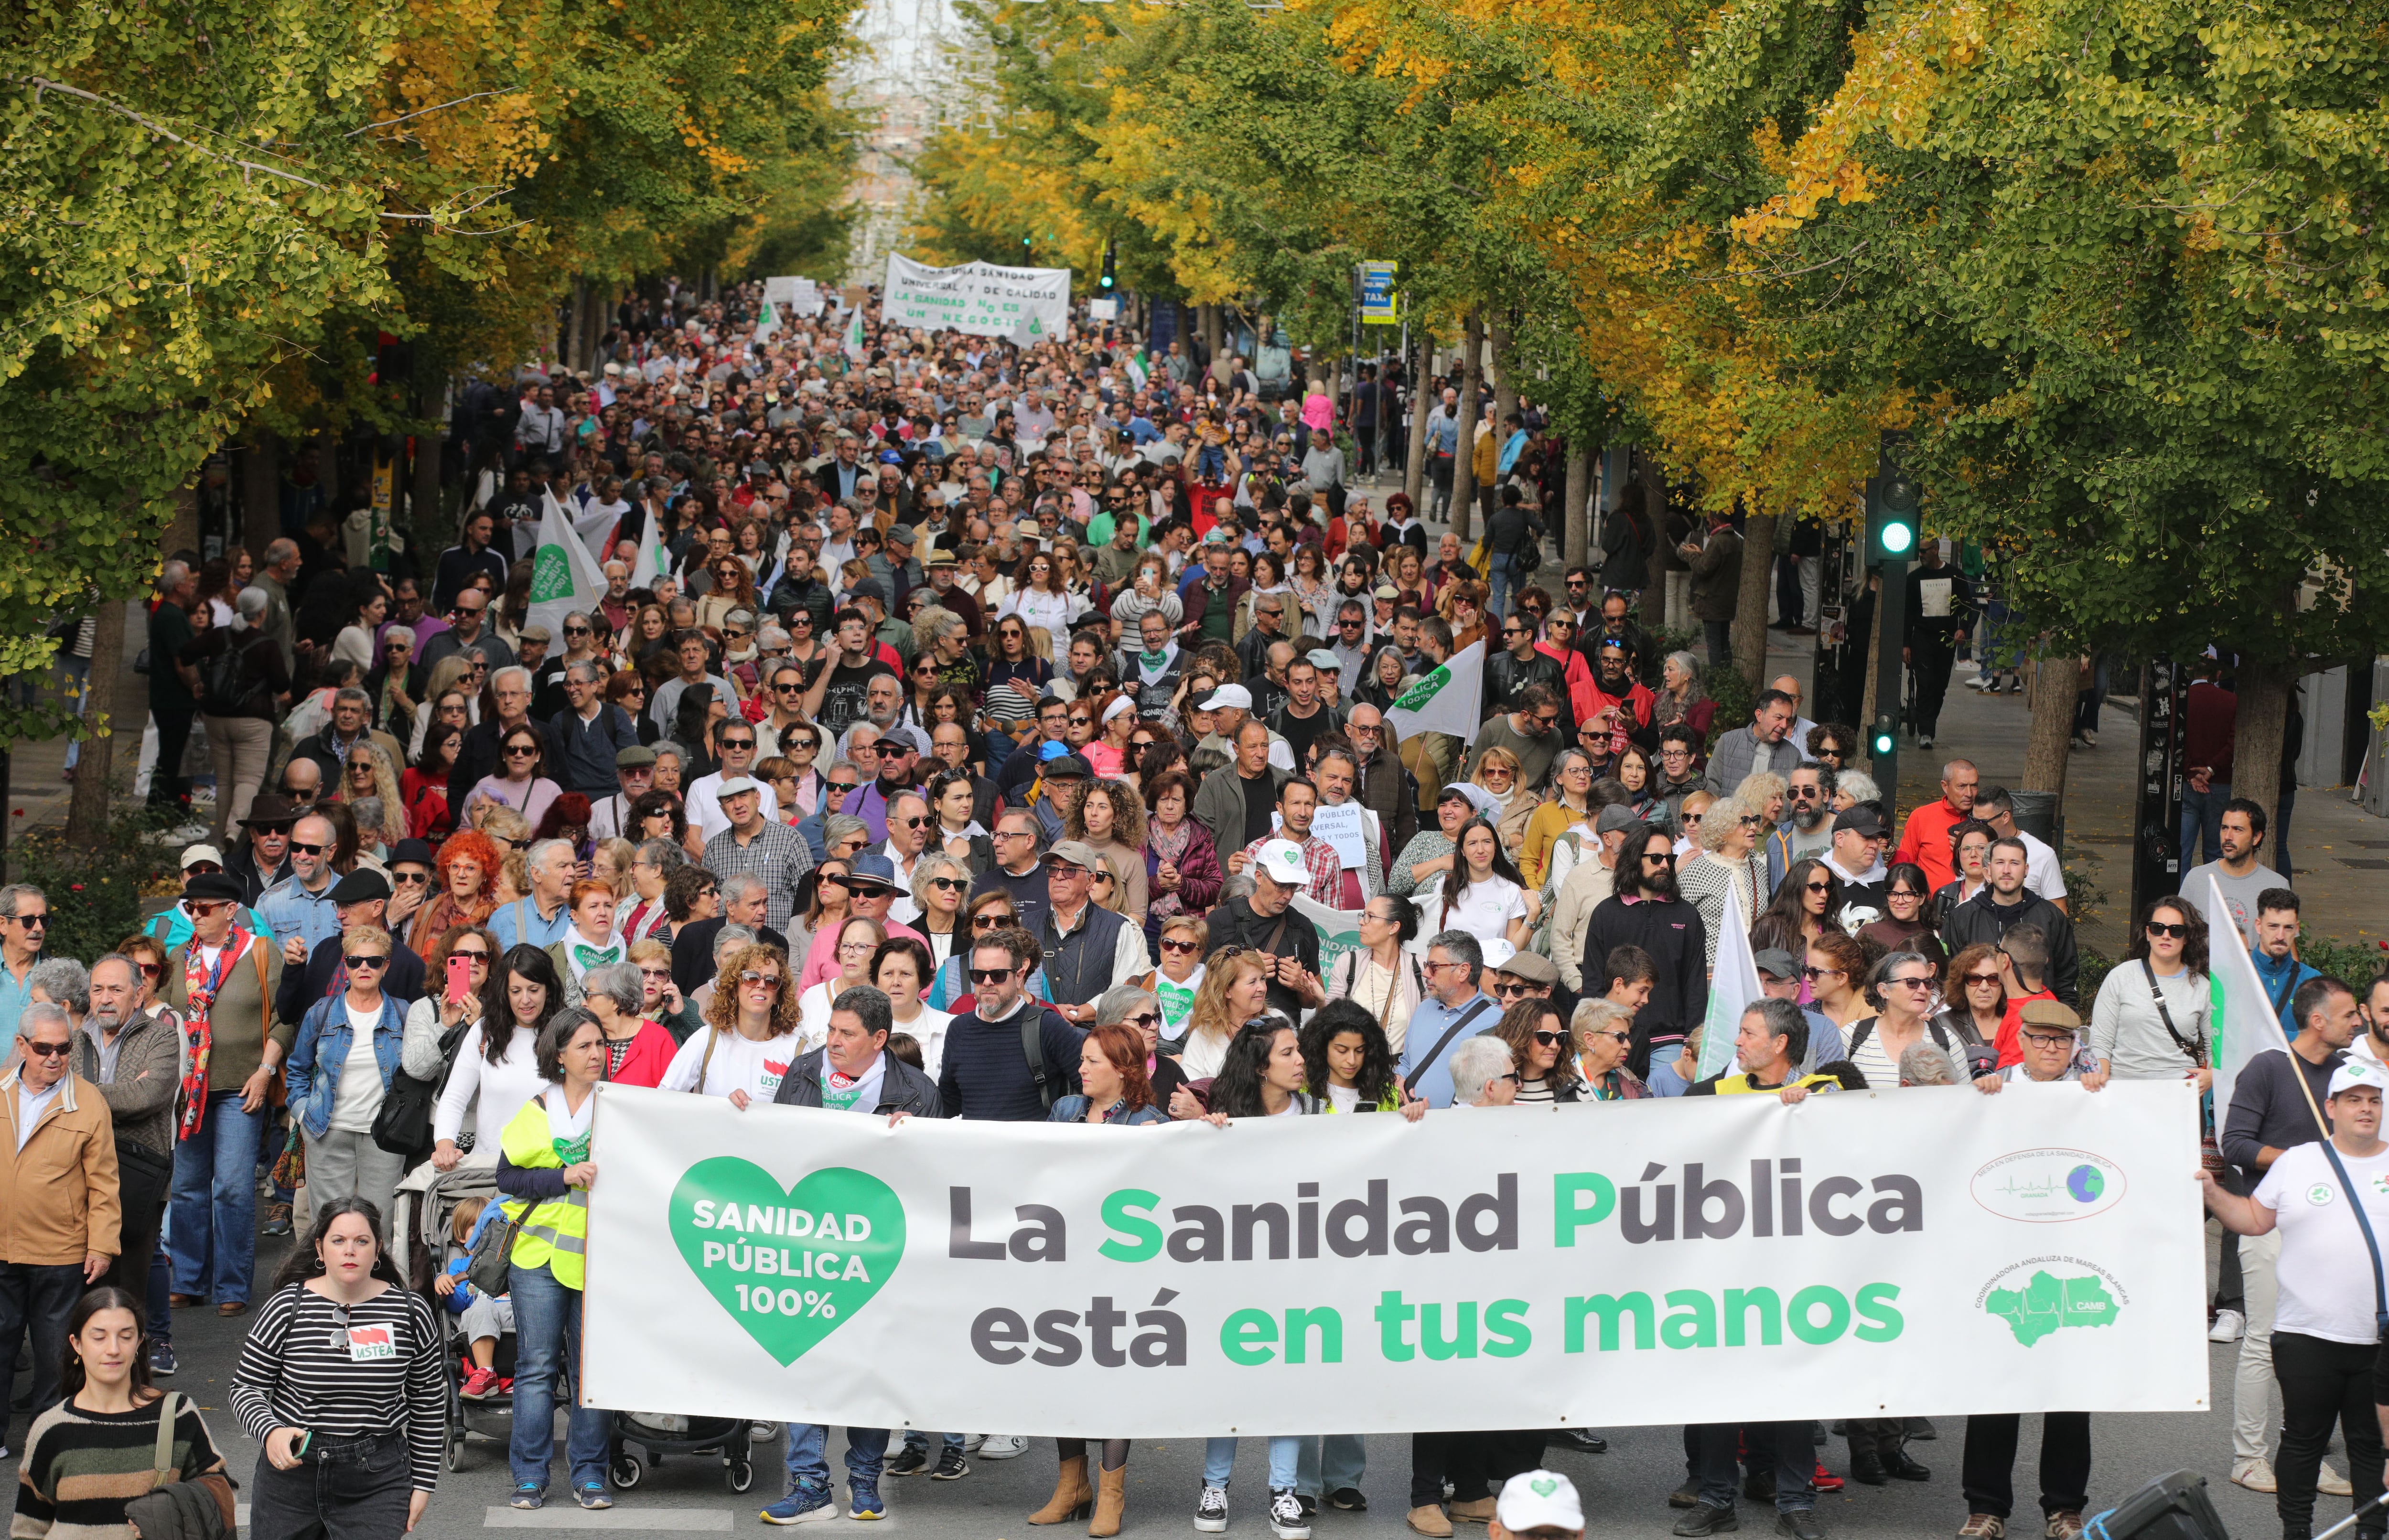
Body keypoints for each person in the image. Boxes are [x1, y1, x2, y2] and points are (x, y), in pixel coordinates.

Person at [758, 985, 943, 1523]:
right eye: (830, 1030)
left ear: (879, 1039)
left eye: (845, 1034)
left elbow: (930, 1179)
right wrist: (745, 1118)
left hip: (877, 1251)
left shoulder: (917, 1091)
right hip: (809, 1248)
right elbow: (775, 1148)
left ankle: (864, 1481)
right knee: (805, 1363)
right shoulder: (803, 1072)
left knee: (868, 1368)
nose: (831, 1042)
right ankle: (810, 1484)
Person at [2200, 1052, 2387, 1540]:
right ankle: (2295, 1531)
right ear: (2331, 1106)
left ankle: (2371, 1531)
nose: (2364, 1108)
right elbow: (2253, 1220)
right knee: (2302, 1439)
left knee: (2369, 1444)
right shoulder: (2299, 1161)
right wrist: (2213, 1192)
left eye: (2373, 1099)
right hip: (2305, 1331)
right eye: (2353, 1100)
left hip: (2378, 1336)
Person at [2217, 974, 2358, 1495]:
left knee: (2315, 1348)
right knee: (2262, 1341)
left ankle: (2302, 1452)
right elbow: (2234, 1143)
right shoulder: (2268, 1068)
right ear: (2317, 1020)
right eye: (2348, 1014)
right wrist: (2304, 1161)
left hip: (2329, 1233)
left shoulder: (2346, 1073)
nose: (2358, 1021)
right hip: (2269, 1222)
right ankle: (2248, 1456)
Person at [230, 1198, 442, 1538]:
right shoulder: (287, 1306)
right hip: (291, 1475)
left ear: (378, 1250)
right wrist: (270, 1432)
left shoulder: (410, 1312)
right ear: (320, 1247)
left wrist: (424, 1482)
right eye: (338, 1241)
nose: (350, 1251)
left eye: (362, 1241)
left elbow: (428, 1399)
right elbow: (246, 1388)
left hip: (376, 1478)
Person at [1189, 1016, 1316, 1540]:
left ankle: (1283, 1490)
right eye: (1288, 1052)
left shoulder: (1319, 1112)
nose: (1301, 1059)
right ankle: (1213, 1484)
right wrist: (1202, 1131)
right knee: (1232, 1379)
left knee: (1287, 1382)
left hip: (1299, 1273)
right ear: (1260, 1065)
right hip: (1235, 1273)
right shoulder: (1222, 1117)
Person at [14, 1285, 234, 1538]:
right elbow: (28, 1528)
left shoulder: (176, 1414)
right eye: (99, 1337)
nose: (114, 1349)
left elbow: (223, 1493)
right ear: (77, 1344)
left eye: (126, 1336)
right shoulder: (51, 1428)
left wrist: (169, 1513)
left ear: (140, 1341)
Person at [163, 871, 285, 1318]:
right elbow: (163, 1018)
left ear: (231, 910)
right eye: (189, 908)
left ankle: (231, 1283)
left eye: (204, 908)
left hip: (241, 1088)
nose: (194, 915)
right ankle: (189, 1278)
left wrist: (265, 1071)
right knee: (189, 1186)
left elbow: (284, 1017)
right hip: (190, 1090)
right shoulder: (180, 957)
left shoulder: (259, 952)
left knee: (232, 1188)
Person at [0, 1003, 119, 1454]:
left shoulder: (88, 1101)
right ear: (21, 1046)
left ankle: (47, 1437)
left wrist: (103, 1244)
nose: (54, 1057)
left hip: (60, 1248)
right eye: (44, 1047)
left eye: (64, 1048)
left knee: (54, 1352)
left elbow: (104, 1181)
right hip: (1, 1245)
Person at [74, 954, 180, 1322]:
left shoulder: (162, 1037)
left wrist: (83, 1094)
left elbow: (146, 1097)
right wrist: (119, 1092)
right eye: (98, 989)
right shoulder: (73, 1041)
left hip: (137, 1178)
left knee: (128, 1294)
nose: (105, 998)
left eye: (116, 990)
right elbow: (58, 1097)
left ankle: (135, 1375)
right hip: (79, 1178)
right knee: (81, 1290)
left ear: (137, 996)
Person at [282, 925, 408, 1216]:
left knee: (379, 1228)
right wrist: (304, 1114)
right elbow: (298, 1069)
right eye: (355, 961)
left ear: (386, 966)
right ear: (346, 965)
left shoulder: (405, 1013)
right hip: (327, 1131)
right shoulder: (322, 1012)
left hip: (383, 1136)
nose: (364, 967)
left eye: (374, 961)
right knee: (329, 1226)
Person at [1580, 824, 1708, 1080]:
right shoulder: (1606, 913)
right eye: (1656, 858)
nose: (1664, 865)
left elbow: (1695, 985)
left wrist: (1692, 1042)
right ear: (1634, 860)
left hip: (1671, 1043)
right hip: (1617, 1041)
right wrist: (1602, 1038)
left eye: (1669, 859)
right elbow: (1593, 981)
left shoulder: (1687, 915)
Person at [413, 937, 549, 1170]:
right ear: (504, 993)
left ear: (549, 989)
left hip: (550, 1168)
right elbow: (455, 1097)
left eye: (534, 990)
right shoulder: (485, 1030)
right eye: (515, 991)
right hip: (491, 1166)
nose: (525, 1000)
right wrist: (445, 1144)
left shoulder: (567, 1032)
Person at [938, 926, 1084, 1121]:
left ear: (1019, 977)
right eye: (979, 975)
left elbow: (1095, 1088)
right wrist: (911, 1119)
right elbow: (948, 1106)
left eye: (998, 975)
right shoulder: (958, 1029)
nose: (987, 982)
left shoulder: (1048, 1026)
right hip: (974, 1149)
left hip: (1034, 1149)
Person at [1942, 838, 2078, 1005]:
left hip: (2036, 1020)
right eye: (2000, 863)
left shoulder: (2051, 917)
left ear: (2026, 870)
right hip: (1979, 1022)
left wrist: (2062, 1024)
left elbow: (2066, 980)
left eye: (2014, 863)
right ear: (1988, 872)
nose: (2006, 870)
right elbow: (1951, 978)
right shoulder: (1961, 918)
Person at [663, 942, 803, 1104]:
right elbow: (666, 1097)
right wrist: (724, 1107)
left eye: (772, 981)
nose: (762, 985)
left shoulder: (797, 1050)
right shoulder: (708, 1039)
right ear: (734, 988)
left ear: (779, 995)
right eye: (751, 978)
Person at [1203, 839, 1326, 1022]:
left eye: (1294, 887)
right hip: (1230, 1030)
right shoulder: (1222, 920)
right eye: (1281, 885)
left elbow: (1312, 1001)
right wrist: (1245, 968)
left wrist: (1301, 986)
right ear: (1259, 877)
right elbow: (1204, 988)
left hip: (1283, 1034)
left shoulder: (1302, 927)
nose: (1288, 895)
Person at [2185, 798, 2286, 946]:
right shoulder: (2196, 878)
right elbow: (2179, 936)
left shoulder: (2277, 885)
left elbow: (2286, 949)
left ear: (2256, 837)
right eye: (2224, 828)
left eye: (2237, 830)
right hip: (2202, 968)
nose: (2228, 837)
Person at [1892, 758, 1978, 891]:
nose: (1969, 794)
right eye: (1961, 786)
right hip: (1930, 905)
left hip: (1974, 903)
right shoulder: (1921, 816)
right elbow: (1904, 865)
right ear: (1945, 786)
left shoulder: (1986, 818)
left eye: (1974, 786)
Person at [1703, 688, 1798, 796]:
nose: (1784, 725)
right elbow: (1711, 785)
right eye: (1779, 718)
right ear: (1759, 715)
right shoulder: (1728, 742)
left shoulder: (1793, 755)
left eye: (1788, 720)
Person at [1491, 996, 1581, 1103]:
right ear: (1519, 1037)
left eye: (1560, 1037)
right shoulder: (1490, 1089)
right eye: (1544, 1037)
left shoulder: (1576, 1090)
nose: (1554, 1045)